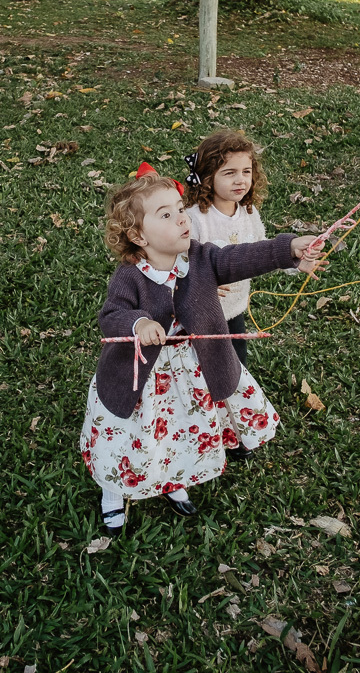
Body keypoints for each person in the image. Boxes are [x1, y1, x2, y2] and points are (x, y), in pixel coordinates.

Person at [80, 175, 324, 536]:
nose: (182, 218)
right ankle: (113, 491)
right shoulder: (129, 276)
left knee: (176, 428)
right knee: (129, 435)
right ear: (138, 236)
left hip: (189, 372)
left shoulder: (202, 257)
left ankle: (171, 478)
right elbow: (112, 315)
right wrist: (139, 323)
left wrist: (288, 248)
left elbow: (242, 257)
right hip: (140, 379)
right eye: (166, 215)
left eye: (180, 209)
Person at [183, 129, 279, 367]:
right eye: (229, 173)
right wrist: (200, 285)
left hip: (234, 310)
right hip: (199, 314)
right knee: (200, 368)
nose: (240, 180)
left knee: (237, 364)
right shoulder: (194, 219)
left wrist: (294, 260)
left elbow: (263, 251)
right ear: (207, 177)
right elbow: (178, 263)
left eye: (246, 171)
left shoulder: (249, 213)